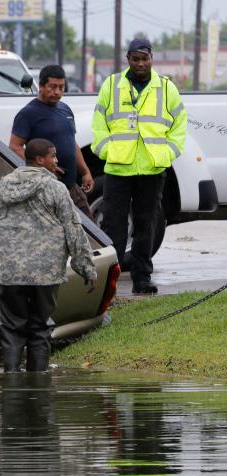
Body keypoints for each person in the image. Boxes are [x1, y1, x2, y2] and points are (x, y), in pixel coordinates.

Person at [0, 138, 97, 373]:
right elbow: (73, 229)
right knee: (39, 328)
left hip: (11, 273)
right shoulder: (55, 188)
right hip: (46, 275)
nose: (57, 161)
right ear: (39, 159)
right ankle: (38, 385)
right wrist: (86, 268)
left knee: (11, 328)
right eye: (53, 156)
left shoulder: (3, 186)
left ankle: (12, 381)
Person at [92, 38, 187, 294]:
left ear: (151, 59)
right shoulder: (111, 85)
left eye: (145, 58)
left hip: (152, 170)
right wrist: (106, 150)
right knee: (114, 227)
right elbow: (99, 123)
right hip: (118, 170)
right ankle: (107, 284)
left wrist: (167, 154)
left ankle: (142, 279)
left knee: (147, 225)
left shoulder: (166, 88)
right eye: (136, 59)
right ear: (128, 60)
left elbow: (179, 125)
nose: (141, 63)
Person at [9, 64, 95, 218]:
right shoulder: (28, 113)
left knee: (90, 235)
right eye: (53, 87)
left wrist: (85, 172)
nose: (57, 92)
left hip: (72, 188)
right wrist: (43, 169)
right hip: (46, 191)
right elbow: (15, 147)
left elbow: (72, 143)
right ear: (41, 86)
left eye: (61, 87)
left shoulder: (65, 109)